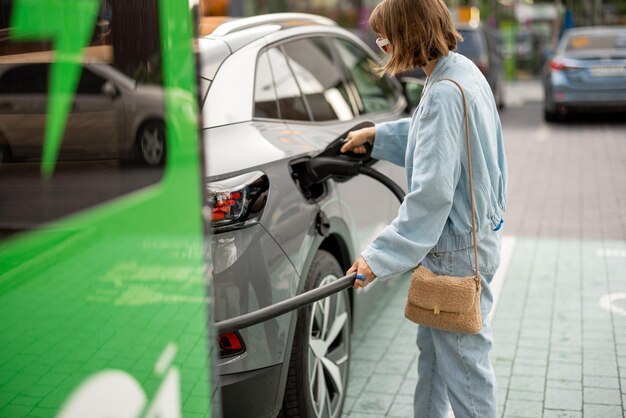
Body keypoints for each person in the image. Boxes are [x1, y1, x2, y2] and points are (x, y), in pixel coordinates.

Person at [340, 0, 507, 417]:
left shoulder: (443, 95)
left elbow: (430, 197)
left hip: (454, 256)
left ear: (408, 36)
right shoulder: (462, 72)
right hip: (473, 239)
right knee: (435, 360)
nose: (382, 46)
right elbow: (432, 137)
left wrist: (376, 258)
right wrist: (377, 134)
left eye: (385, 37)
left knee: (467, 374)